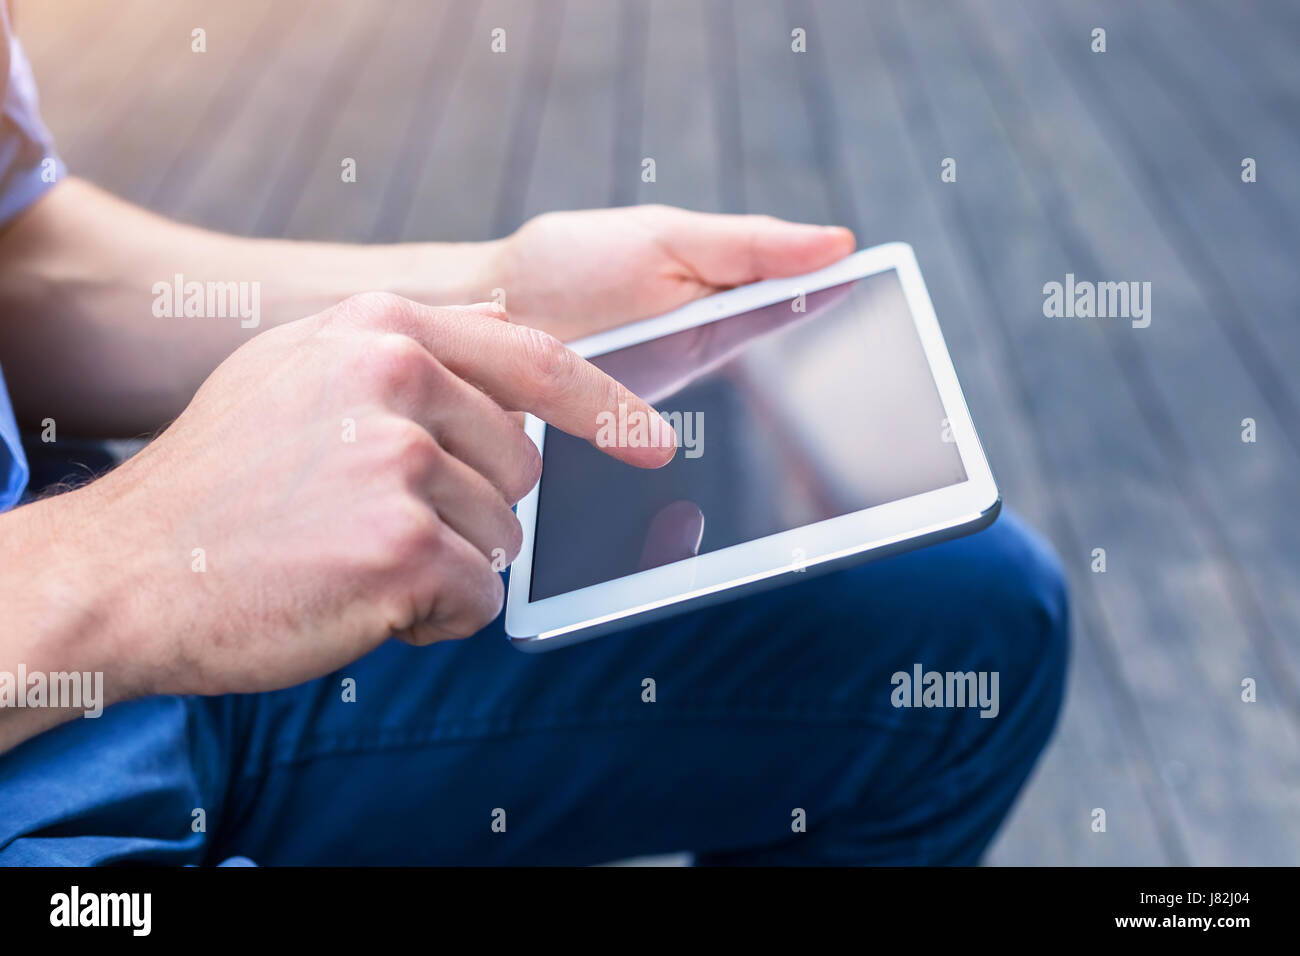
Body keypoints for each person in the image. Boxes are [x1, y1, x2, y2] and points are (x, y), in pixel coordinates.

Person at [0, 8, 1067, 864]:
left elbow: (24, 263)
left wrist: (486, 304)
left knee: (962, 613)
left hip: (148, 670)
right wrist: (127, 560)